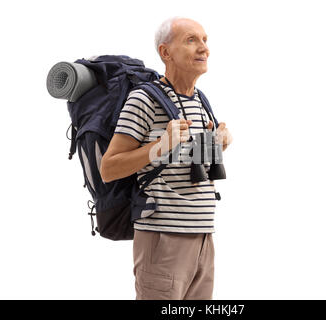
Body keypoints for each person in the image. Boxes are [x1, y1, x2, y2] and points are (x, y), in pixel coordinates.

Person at [100, 16, 233, 300]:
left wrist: (217, 144)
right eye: (191, 40)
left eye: (205, 40)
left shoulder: (201, 101)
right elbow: (108, 168)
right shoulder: (143, 100)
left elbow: (192, 167)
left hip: (203, 238)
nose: (204, 48)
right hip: (163, 239)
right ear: (165, 52)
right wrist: (159, 145)